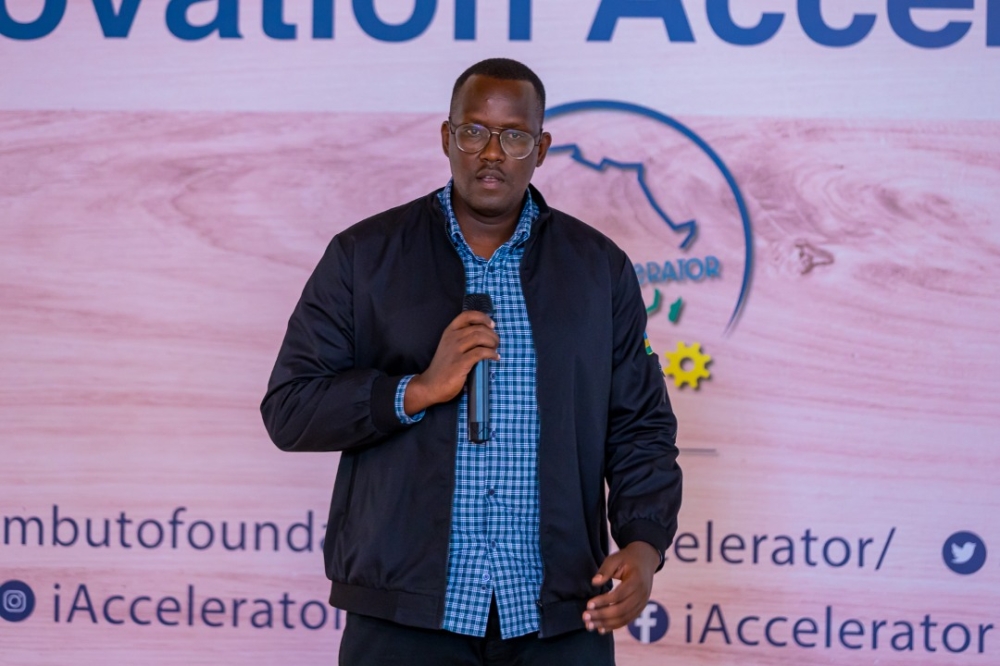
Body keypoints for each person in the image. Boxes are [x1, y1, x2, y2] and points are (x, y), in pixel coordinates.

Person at [261, 57, 681, 665]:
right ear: (446, 137)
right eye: (474, 131)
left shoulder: (598, 269)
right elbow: (290, 409)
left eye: (514, 137)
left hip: (560, 612)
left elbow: (640, 426)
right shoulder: (363, 257)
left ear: (541, 150)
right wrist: (417, 389)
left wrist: (644, 543)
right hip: (403, 616)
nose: (491, 152)